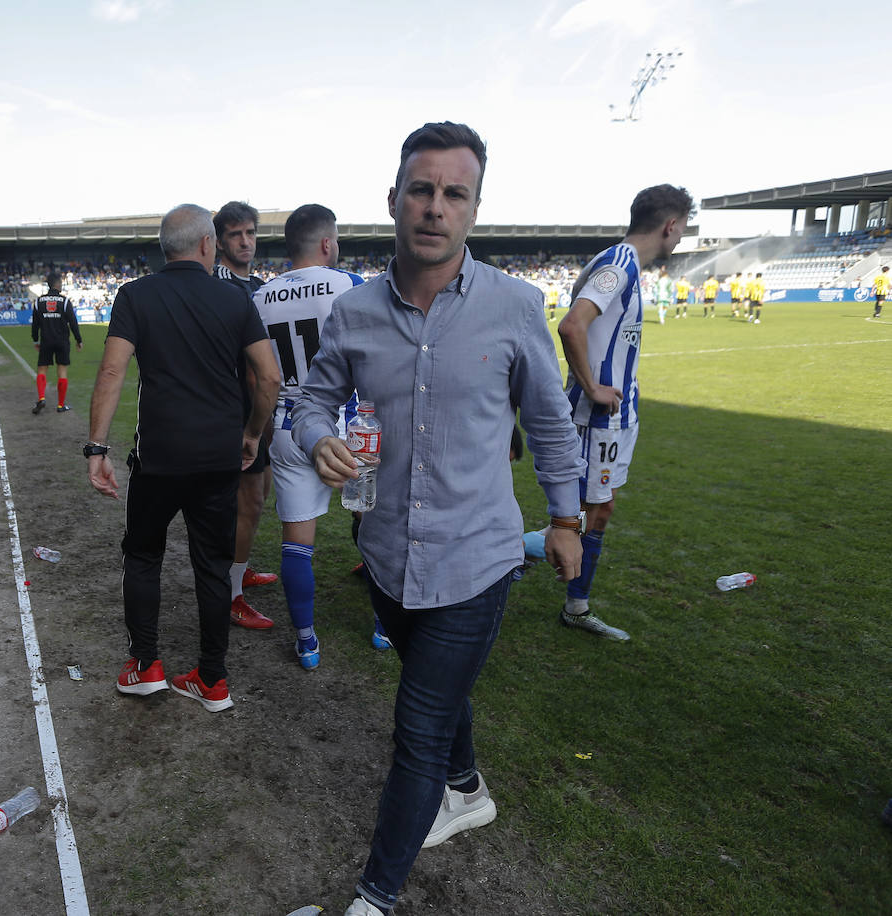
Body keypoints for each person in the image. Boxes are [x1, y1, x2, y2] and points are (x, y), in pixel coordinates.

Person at [288, 122, 585, 916]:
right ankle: (468, 786)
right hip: (384, 554)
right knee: (437, 692)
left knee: (416, 726)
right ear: (393, 200)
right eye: (422, 189)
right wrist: (317, 437)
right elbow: (312, 400)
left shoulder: (516, 307)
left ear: (475, 210)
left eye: (455, 193)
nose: (435, 207)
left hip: (477, 559)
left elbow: (552, 425)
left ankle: (373, 898)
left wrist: (564, 520)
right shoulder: (351, 313)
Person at [86, 204, 280, 713]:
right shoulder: (234, 298)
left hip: (159, 459)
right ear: (205, 245)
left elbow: (111, 373)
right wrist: (253, 434)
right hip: (219, 459)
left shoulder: (135, 295)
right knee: (212, 568)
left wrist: (97, 448)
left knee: (144, 555)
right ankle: (212, 680)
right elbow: (269, 377)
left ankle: (146, 665)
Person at [558, 184, 694, 644]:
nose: (678, 242)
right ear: (669, 225)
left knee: (598, 510)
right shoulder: (618, 265)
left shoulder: (624, 264)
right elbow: (572, 324)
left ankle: (575, 604)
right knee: (580, 514)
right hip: (597, 418)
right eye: (681, 231)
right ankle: (514, 557)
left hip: (617, 417)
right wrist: (592, 386)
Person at [251, 204, 364, 669]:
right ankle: (383, 628)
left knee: (296, 542)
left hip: (286, 426)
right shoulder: (351, 286)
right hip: (350, 424)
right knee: (377, 528)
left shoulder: (259, 298)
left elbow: (258, 375)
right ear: (326, 243)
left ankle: (306, 640)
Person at [214, 200, 280, 628]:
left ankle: (240, 568)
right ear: (219, 240)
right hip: (237, 412)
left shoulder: (255, 285)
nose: (245, 241)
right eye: (236, 234)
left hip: (260, 407)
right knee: (247, 500)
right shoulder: (218, 285)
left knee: (258, 497)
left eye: (251, 233)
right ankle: (231, 592)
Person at [30, 273, 83, 414]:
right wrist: (79, 340)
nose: (61, 284)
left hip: (46, 340)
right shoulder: (64, 301)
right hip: (62, 341)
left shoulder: (39, 302)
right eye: (60, 282)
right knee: (62, 372)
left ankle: (41, 397)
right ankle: (60, 405)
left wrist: (36, 340)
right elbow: (73, 322)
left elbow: (35, 324)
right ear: (57, 284)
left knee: (42, 370)